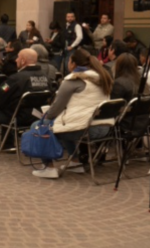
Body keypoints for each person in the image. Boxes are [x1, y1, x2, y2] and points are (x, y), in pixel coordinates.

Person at [33, 48, 113, 179]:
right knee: (63, 124)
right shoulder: (102, 78)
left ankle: (49, 168)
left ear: (73, 63)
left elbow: (55, 109)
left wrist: (46, 117)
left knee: (38, 126)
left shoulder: (72, 81)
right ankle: (75, 163)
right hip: (103, 127)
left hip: (83, 129)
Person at [0, 48, 51, 130]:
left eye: (18, 57)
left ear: (23, 61)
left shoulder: (15, 78)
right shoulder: (47, 78)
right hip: (39, 116)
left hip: (19, 118)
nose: (16, 60)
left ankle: (7, 142)